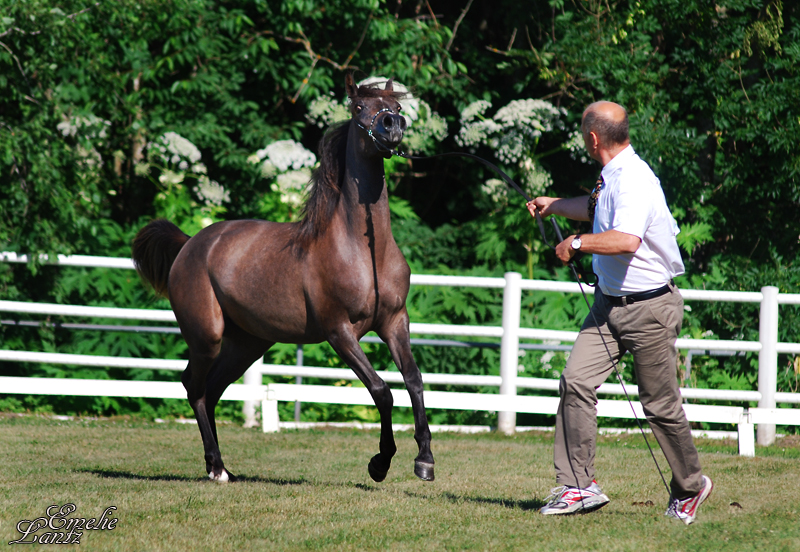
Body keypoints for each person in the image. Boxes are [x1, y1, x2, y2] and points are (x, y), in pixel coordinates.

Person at [526, 101, 713, 525]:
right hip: (608, 305)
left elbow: (626, 240)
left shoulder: (635, 180)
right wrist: (554, 204)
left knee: (660, 406)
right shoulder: (610, 176)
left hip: (649, 309)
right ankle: (579, 485)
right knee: (575, 381)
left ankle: (691, 486)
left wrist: (575, 244)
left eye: (581, 130)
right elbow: (595, 212)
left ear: (593, 138)